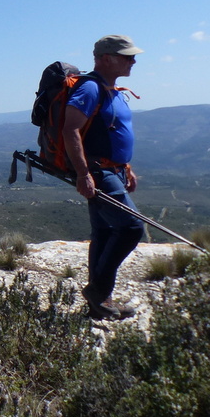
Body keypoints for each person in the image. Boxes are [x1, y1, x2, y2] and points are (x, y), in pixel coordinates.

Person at [62, 34, 145, 320]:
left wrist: (127, 168)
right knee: (132, 228)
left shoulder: (113, 89)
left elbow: (111, 132)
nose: (133, 61)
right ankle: (99, 291)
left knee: (106, 232)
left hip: (114, 170)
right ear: (106, 58)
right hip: (98, 172)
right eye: (127, 56)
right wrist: (83, 174)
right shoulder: (90, 89)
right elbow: (70, 129)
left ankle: (99, 303)